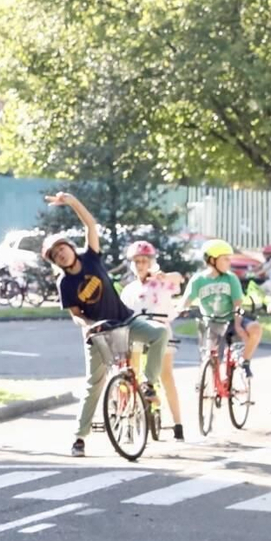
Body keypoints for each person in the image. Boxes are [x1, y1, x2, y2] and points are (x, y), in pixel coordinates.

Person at [44, 191, 168, 458]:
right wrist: (88, 325)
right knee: (95, 383)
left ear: (69, 247)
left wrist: (71, 201)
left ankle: (149, 384)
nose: (61, 255)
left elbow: (90, 224)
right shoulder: (64, 283)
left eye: (62, 249)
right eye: (55, 256)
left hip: (124, 321)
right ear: (55, 262)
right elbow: (76, 314)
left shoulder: (91, 257)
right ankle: (79, 438)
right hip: (98, 332)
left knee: (159, 333)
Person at [120, 240, 185, 441]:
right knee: (131, 373)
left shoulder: (161, 281)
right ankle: (128, 418)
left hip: (161, 329)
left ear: (151, 262)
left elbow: (179, 278)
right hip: (139, 332)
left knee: (166, 375)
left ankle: (177, 423)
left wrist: (165, 276)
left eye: (144, 261)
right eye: (137, 261)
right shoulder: (129, 289)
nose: (141, 265)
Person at [185, 240, 263, 373]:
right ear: (212, 260)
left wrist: (238, 325)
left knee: (255, 328)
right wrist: (182, 309)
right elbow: (186, 300)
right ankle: (210, 386)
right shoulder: (198, 280)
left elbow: (238, 304)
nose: (229, 262)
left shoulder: (231, 278)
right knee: (213, 360)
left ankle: (245, 361)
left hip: (232, 320)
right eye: (225, 259)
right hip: (212, 324)